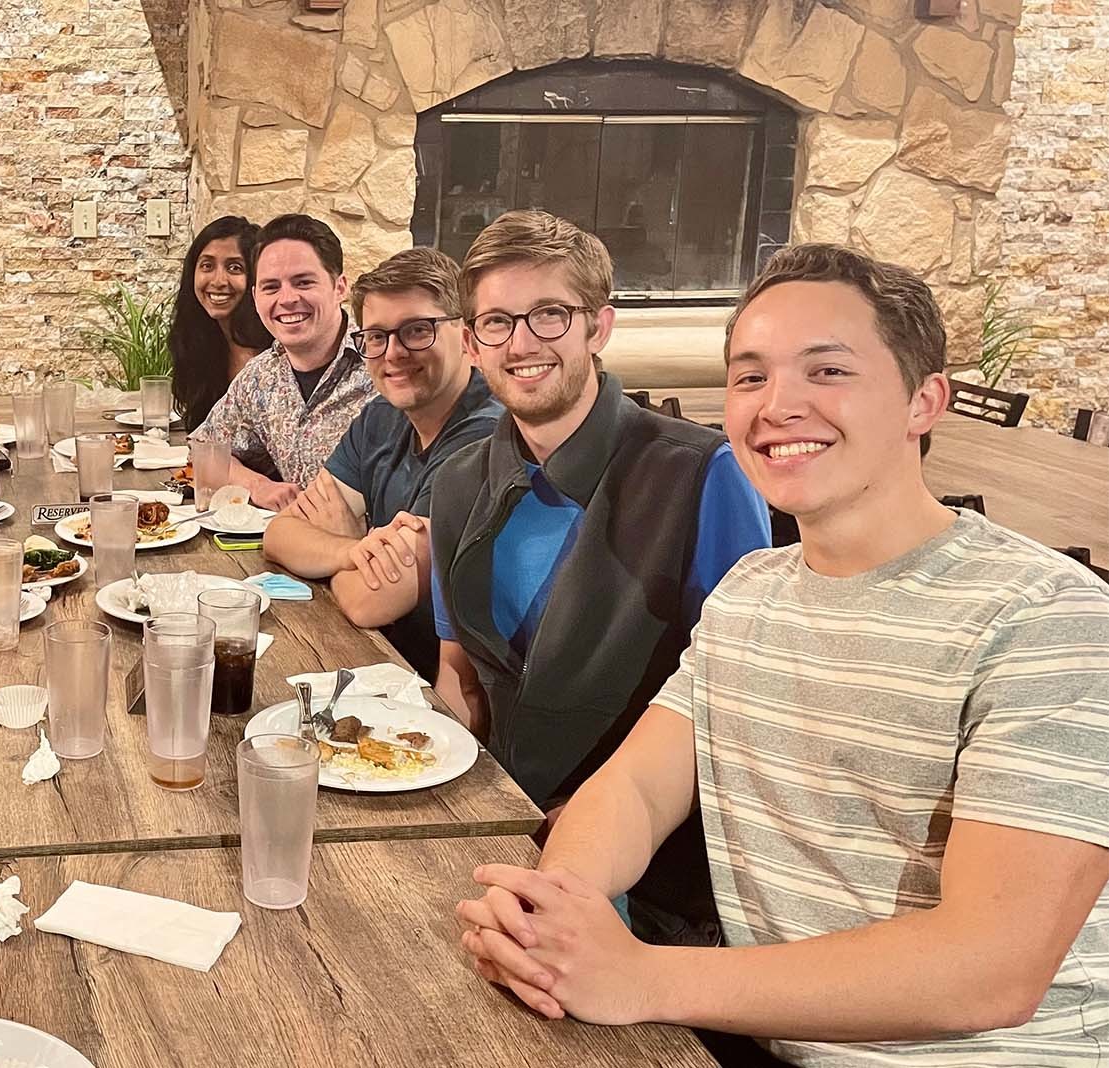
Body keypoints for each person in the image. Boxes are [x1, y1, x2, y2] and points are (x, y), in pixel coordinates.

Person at [454, 243, 1109, 1066]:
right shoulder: (751, 592)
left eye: (827, 372)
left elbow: (993, 968)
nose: (778, 406)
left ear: (923, 401)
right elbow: (638, 787)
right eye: (751, 376)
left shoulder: (1048, 617)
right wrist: (555, 910)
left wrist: (644, 977)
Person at [428, 210, 770, 946]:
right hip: (499, 837)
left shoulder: (702, 475)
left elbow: (735, 703)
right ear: (470, 342)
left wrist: (592, 823)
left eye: (549, 315)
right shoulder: (458, 482)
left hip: (656, 883)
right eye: (496, 322)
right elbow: (459, 669)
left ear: (598, 327)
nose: (521, 343)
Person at [262, 247, 501, 676]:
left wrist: (336, 545)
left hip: (435, 691)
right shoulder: (382, 416)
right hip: (373, 661)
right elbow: (279, 535)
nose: (392, 353)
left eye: (416, 330)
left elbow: (369, 601)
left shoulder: (484, 438)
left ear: (465, 335)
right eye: (376, 336)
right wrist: (356, 547)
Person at [189, 213, 374, 509]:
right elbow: (203, 448)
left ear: (340, 287)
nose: (287, 298)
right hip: (286, 544)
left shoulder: (382, 365)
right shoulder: (260, 377)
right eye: (271, 287)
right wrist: (258, 486)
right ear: (255, 296)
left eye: (303, 282)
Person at [167, 216, 274, 433]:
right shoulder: (201, 345)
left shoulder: (272, 353)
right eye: (207, 265)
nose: (218, 281)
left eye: (234, 268)